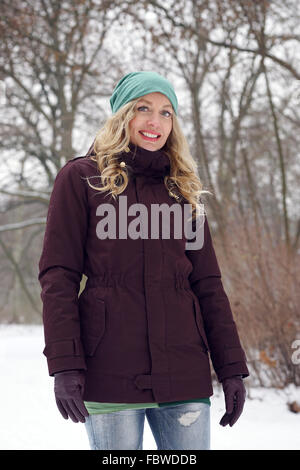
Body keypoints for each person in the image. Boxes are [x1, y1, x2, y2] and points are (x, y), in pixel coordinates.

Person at [38, 71, 249, 451]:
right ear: (122, 115)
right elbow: (59, 277)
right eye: (144, 109)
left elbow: (207, 284)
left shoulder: (182, 189)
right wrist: (65, 364)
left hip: (183, 371)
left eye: (166, 112)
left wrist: (231, 367)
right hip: (109, 369)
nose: (156, 121)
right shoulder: (83, 179)